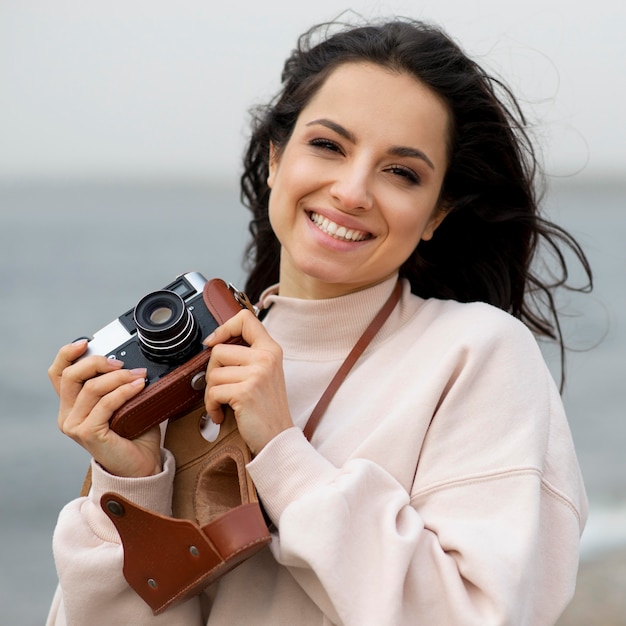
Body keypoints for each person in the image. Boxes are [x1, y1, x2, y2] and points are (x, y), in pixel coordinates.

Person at [47, 17, 592, 626]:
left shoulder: (478, 354)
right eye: (329, 146)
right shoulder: (199, 358)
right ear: (276, 158)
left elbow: (481, 615)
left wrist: (284, 453)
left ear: (436, 213)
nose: (353, 190)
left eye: (401, 172)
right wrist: (129, 483)